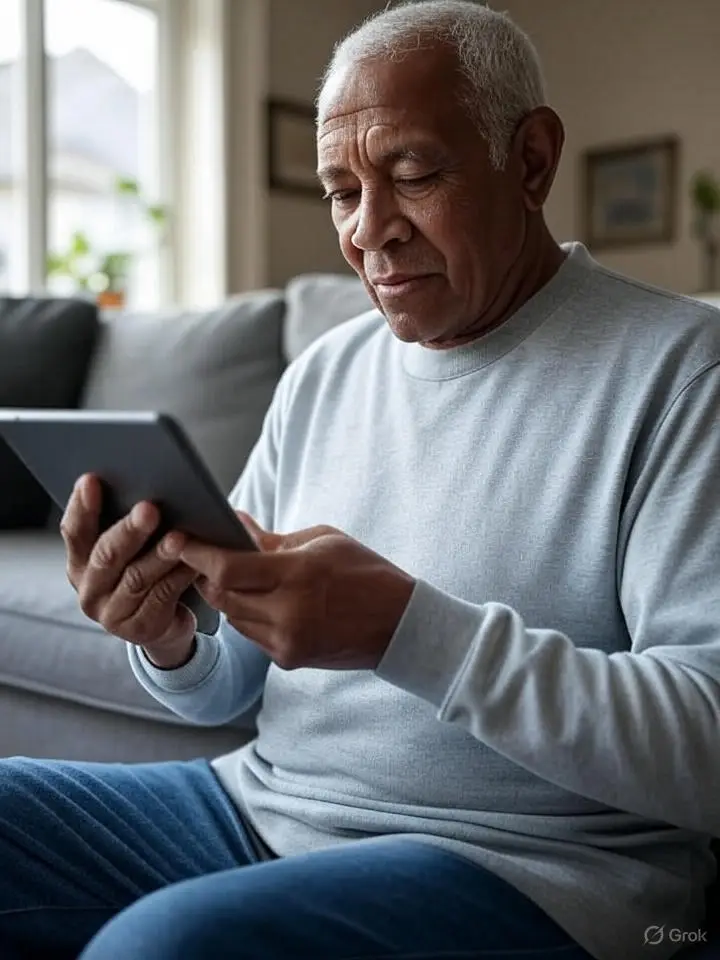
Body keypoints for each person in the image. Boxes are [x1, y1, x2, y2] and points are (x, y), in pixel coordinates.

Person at [1, 1, 719, 958]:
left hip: (533, 872)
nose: (369, 230)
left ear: (533, 161)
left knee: (168, 946)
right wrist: (171, 639)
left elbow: (706, 748)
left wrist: (401, 629)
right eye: (341, 191)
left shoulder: (683, 374)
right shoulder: (327, 372)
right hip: (254, 807)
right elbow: (228, 689)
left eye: (413, 174)